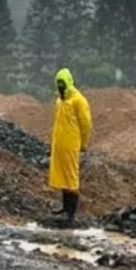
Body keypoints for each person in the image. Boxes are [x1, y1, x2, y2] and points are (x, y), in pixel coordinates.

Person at [48, 68, 93, 226]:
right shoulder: (60, 100)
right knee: (62, 177)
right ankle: (65, 207)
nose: (60, 87)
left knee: (71, 178)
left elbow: (86, 125)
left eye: (63, 84)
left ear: (69, 83)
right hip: (59, 145)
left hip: (71, 145)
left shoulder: (79, 101)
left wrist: (84, 144)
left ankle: (71, 214)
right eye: (58, 84)